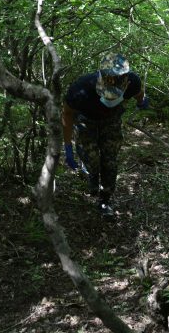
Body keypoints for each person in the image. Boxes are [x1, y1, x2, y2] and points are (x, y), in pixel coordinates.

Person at [62, 53, 150, 217]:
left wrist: (142, 101)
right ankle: (92, 175)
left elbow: (139, 93)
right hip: (86, 120)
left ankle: (105, 200)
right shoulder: (81, 89)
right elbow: (67, 114)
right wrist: (67, 146)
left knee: (110, 160)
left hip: (112, 120)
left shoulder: (133, 82)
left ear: (126, 82)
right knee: (92, 159)